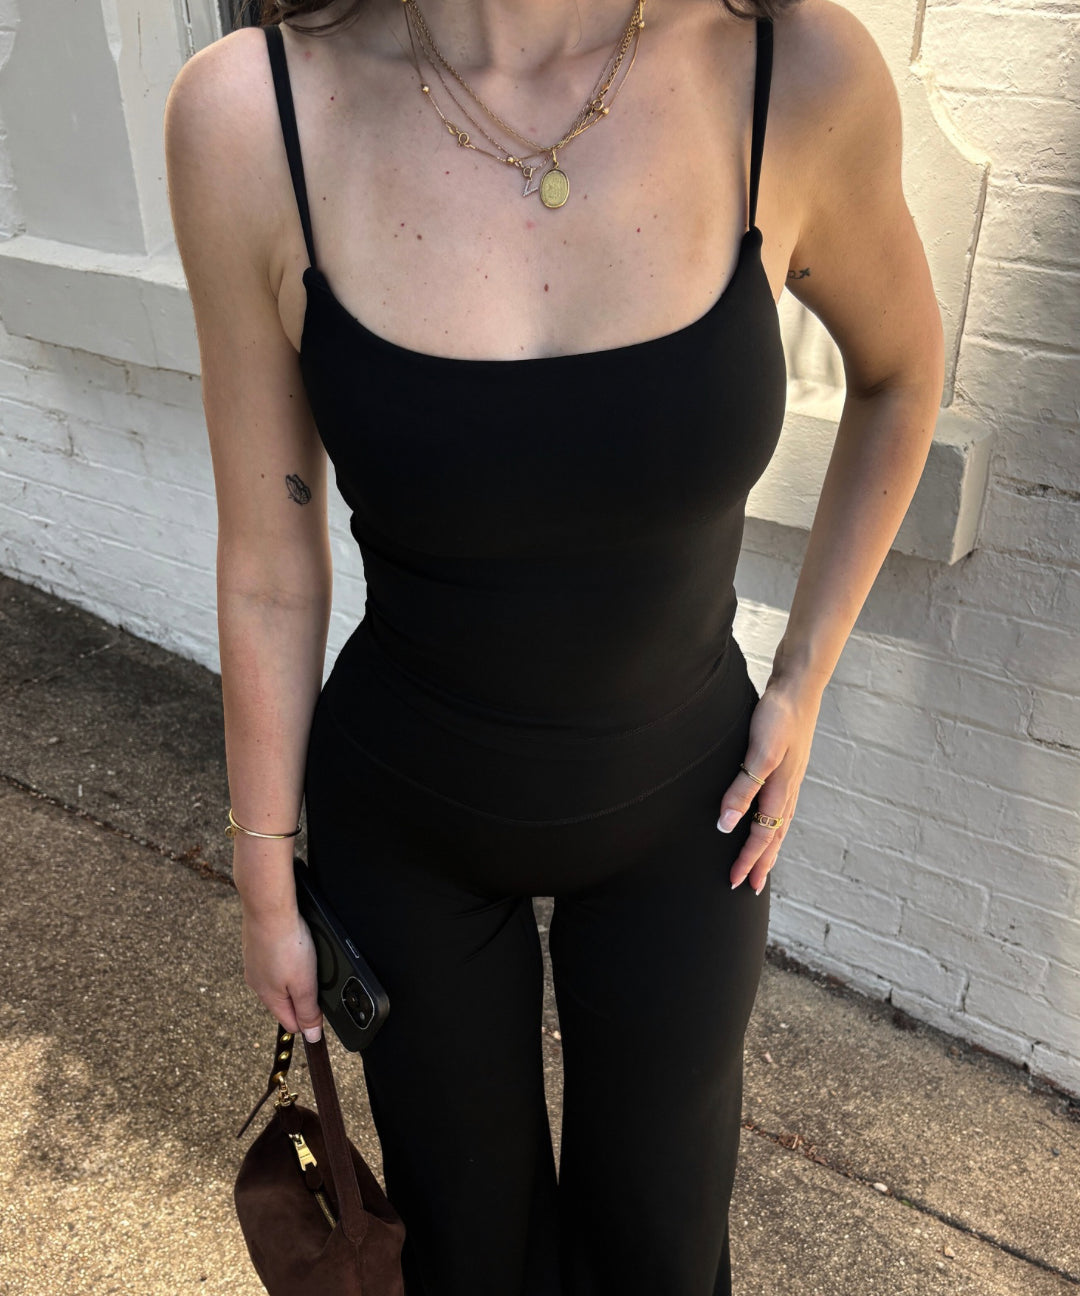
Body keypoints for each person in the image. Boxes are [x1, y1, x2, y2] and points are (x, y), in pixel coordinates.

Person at [164, 0, 944, 1288]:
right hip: (404, 828)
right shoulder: (252, 118)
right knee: (464, 1258)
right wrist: (264, 879)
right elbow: (267, 567)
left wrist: (804, 679)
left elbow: (903, 374)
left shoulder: (789, 73)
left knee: (663, 1253)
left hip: (688, 818)